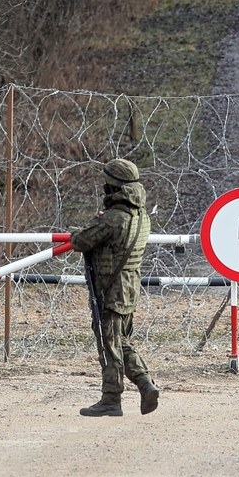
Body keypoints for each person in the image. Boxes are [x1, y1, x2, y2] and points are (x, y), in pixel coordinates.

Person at [70, 158, 159, 417]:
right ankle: (145, 384)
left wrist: (94, 222)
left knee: (109, 344)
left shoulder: (114, 218)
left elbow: (81, 240)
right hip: (129, 286)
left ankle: (112, 398)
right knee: (120, 341)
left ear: (113, 187)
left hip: (111, 288)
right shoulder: (140, 216)